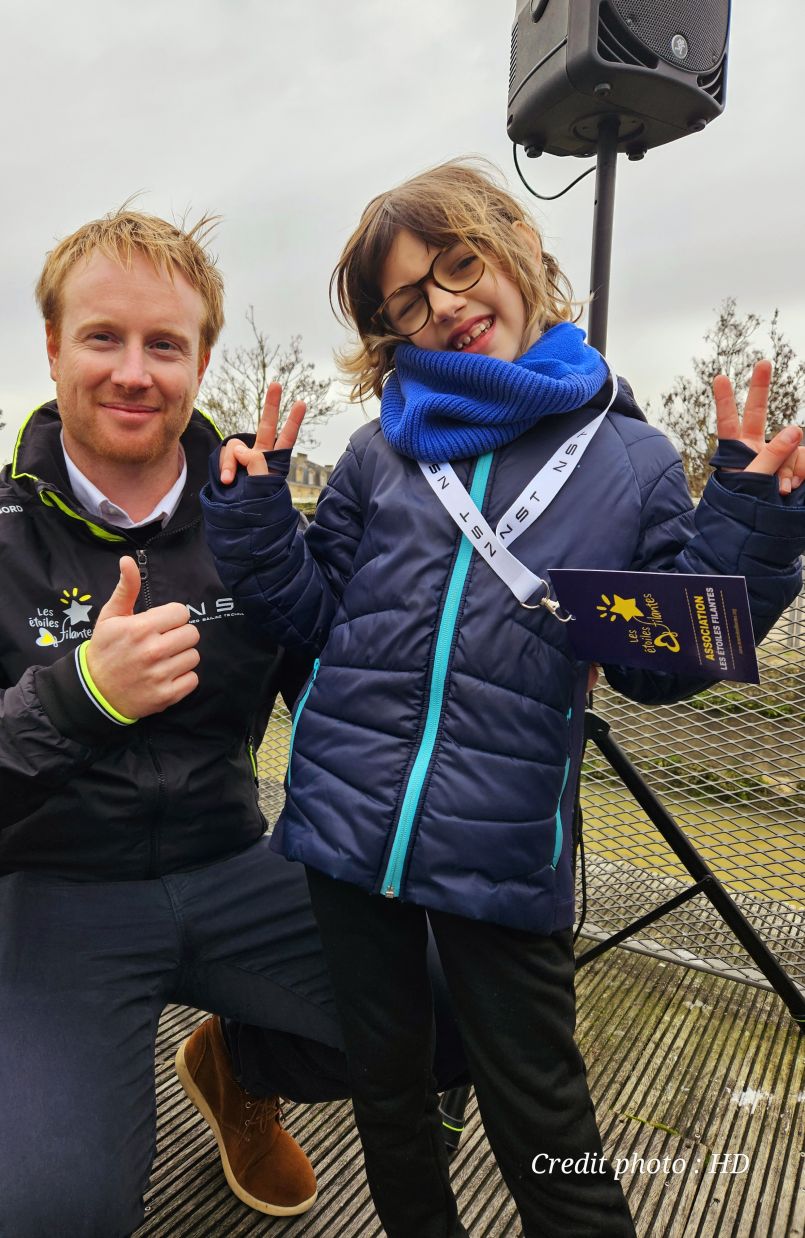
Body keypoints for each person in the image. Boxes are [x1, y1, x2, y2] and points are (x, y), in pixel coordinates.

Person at [201, 160, 805, 1238]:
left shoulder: (629, 457)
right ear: (395, 333)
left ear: (516, 248)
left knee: (549, 1134)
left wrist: (748, 531)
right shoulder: (379, 453)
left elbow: (655, 667)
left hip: (506, 854)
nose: (443, 303)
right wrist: (252, 525)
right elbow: (315, 615)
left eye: (458, 263)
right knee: (389, 1104)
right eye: (408, 300)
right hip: (347, 835)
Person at [0, 207, 467, 1238]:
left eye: (164, 343)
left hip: (237, 863)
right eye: (102, 337)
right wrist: (78, 697)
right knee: (50, 1210)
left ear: (201, 356)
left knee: (479, 1004)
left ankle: (238, 1062)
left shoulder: (257, 518)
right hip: (54, 890)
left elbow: (345, 694)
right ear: (51, 346)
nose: (134, 371)